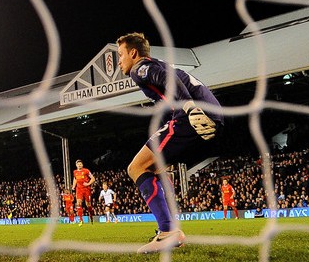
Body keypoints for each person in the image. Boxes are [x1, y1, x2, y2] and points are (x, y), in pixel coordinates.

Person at [116, 33, 224, 253]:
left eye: (120, 55)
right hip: (209, 116)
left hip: (194, 116)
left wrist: (190, 108)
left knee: (136, 167)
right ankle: (171, 231)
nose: (119, 62)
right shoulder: (157, 64)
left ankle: (168, 231)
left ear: (133, 53)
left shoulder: (140, 69)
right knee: (153, 168)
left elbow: (168, 80)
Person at [72, 159, 95, 226]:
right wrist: (73, 186)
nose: (79, 165)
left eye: (80, 164)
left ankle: (91, 216)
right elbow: (75, 179)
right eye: (78, 164)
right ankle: (81, 220)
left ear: (82, 165)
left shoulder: (86, 171)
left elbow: (93, 178)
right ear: (76, 165)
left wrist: (88, 184)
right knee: (78, 203)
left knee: (88, 205)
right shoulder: (75, 172)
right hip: (79, 189)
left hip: (86, 189)